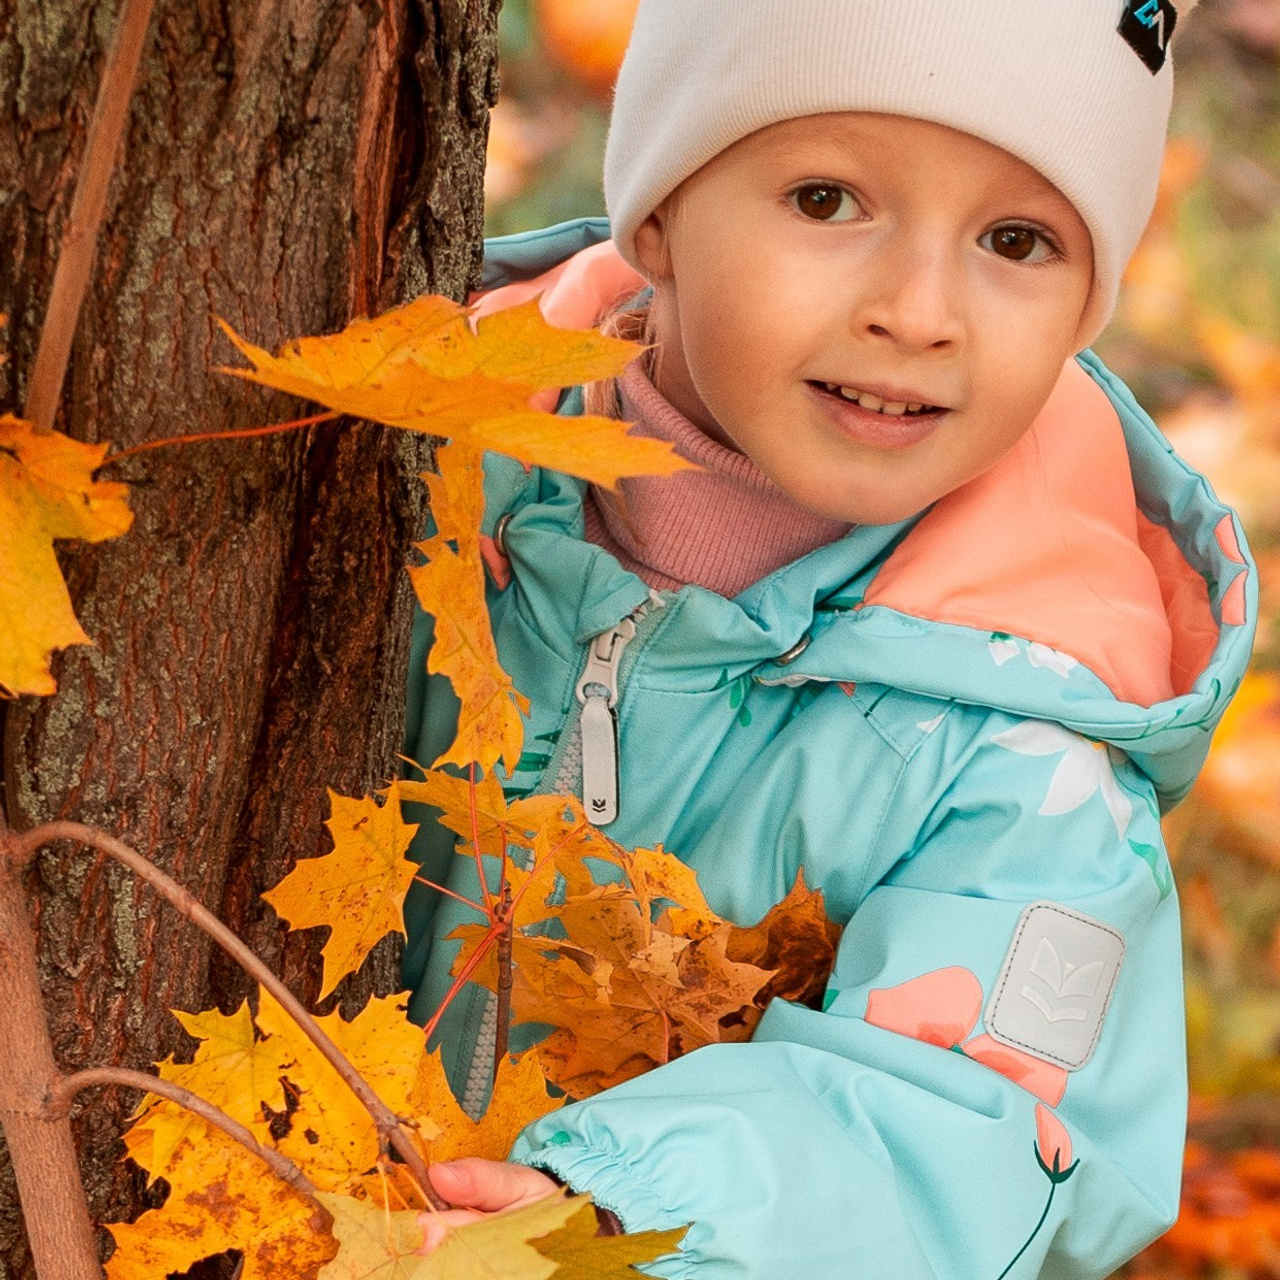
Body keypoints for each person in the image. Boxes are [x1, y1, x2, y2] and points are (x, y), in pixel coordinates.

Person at [401, 1, 1258, 1274]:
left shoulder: (1032, 745)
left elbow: (977, 1117)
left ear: (1086, 305)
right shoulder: (414, 464)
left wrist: (632, 1210)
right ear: (660, 214)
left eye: (1015, 239)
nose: (918, 311)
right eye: (824, 200)